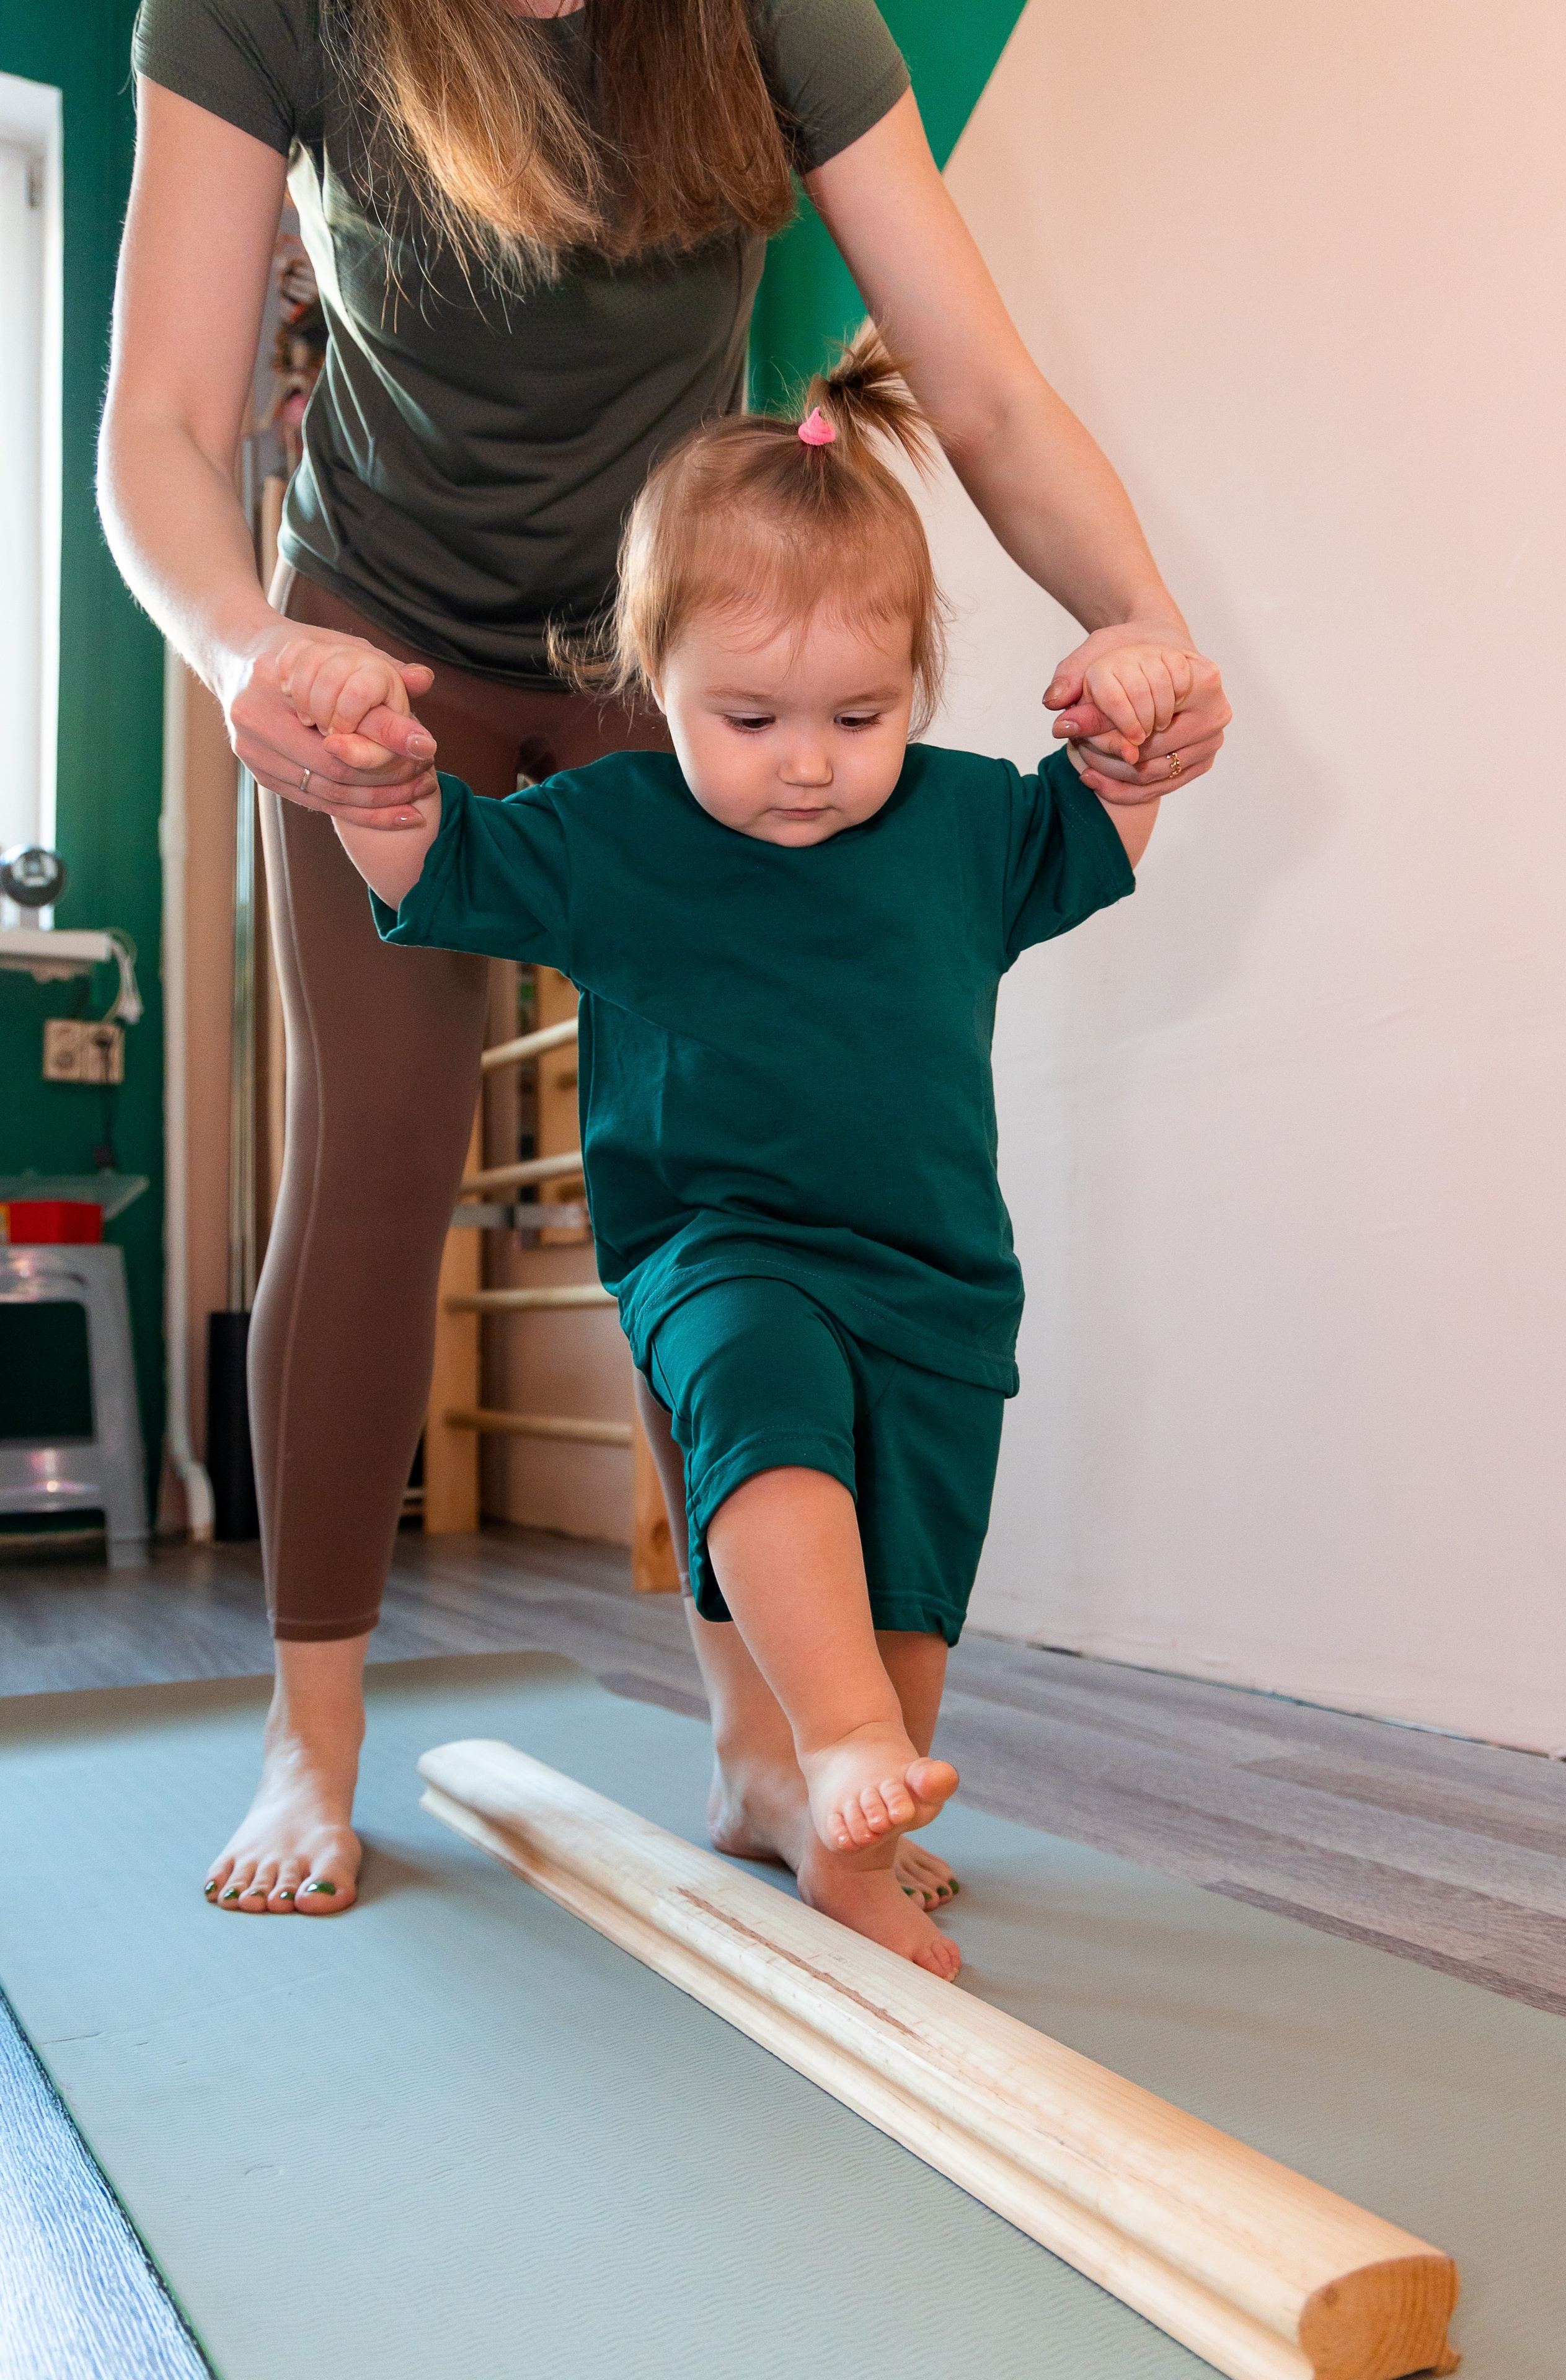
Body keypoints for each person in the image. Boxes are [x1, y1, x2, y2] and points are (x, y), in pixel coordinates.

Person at [100, 0, 1229, 1918]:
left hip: (671, 649)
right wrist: (241, 654)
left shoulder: (780, 13)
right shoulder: (260, 9)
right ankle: (313, 1734)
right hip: (377, 646)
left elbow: (989, 397)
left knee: (736, 1186)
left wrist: (1144, 634)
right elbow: (168, 427)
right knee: (378, 1146)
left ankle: (765, 1750)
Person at [326, 337, 1177, 1975]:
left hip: (934, 1272)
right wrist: (380, 784)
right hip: (715, 1244)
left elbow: (1105, 820)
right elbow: (440, 867)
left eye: (861, 714)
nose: (808, 759)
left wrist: (1136, 714)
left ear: (918, 683)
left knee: (910, 1585)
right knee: (770, 1427)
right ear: (656, 679)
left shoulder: (961, 824)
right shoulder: (618, 832)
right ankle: (831, 1754)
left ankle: (832, 1805)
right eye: (752, 715)